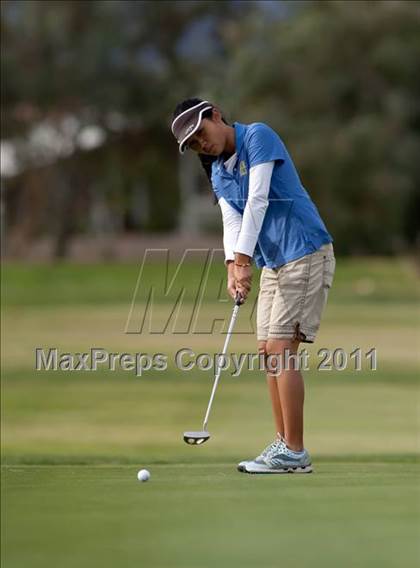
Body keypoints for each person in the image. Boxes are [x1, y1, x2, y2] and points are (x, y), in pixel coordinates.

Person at [170, 98, 336, 474]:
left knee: (280, 349)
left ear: (215, 115)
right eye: (194, 144)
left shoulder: (258, 136)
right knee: (267, 351)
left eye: (201, 134)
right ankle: (283, 445)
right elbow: (232, 223)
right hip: (274, 263)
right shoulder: (218, 173)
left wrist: (244, 260)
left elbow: (258, 200)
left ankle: (295, 450)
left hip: (306, 251)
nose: (202, 144)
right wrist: (232, 265)